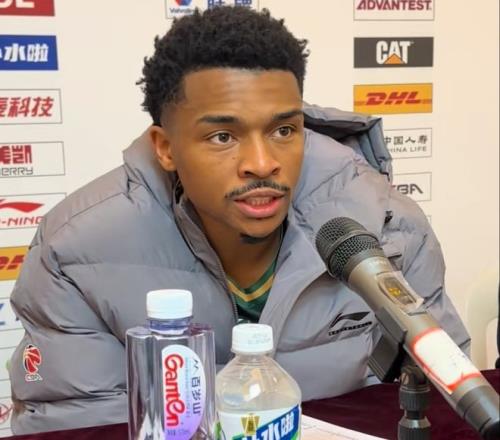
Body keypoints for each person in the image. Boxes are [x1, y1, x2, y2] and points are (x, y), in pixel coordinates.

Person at [8, 5, 469, 434]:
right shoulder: (77, 252)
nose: (262, 163)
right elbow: (80, 426)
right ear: (165, 148)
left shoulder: (386, 223)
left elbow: (441, 400)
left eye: (284, 130)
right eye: (223, 136)